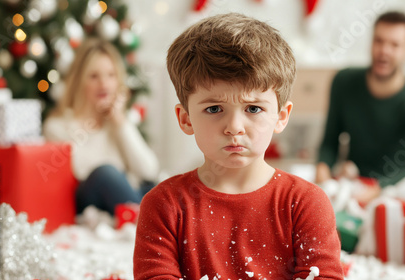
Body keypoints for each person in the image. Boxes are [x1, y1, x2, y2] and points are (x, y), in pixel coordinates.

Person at [134, 13, 343, 280]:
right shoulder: (163, 206)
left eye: (253, 108)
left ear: (281, 117)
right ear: (185, 119)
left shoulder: (306, 204)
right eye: (214, 108)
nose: (234, 126)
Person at [316, 11, 405, 204]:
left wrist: (377, 191)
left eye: (394, 45)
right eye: (379, 41)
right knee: (291, 178)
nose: (384, 50)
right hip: (352, 182)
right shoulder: (343, 81)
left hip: (390, 189)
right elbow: (330, 141)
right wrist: (322, 171)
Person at [43, 38, 159, 216]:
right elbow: (81, 170)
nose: (104, 84)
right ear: (79, 81)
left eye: (111, 75)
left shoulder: (119, 123)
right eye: (94, 76)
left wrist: (120, 123)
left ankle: (152, 221)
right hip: (88, 199)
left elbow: (149, 171)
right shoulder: (57, 126)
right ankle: (151, 224)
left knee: (157, 189)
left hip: (122, 196)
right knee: (106, 174)